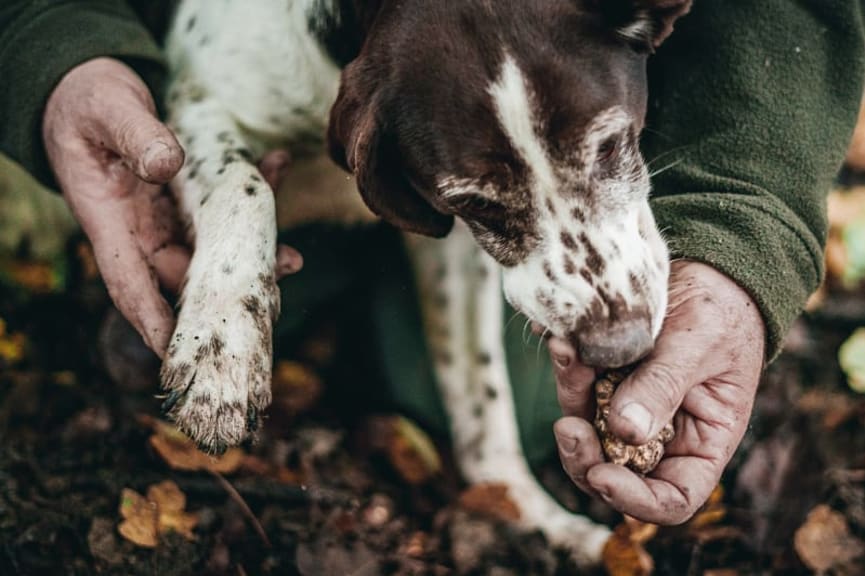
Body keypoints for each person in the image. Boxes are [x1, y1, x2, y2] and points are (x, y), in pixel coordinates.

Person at [1, 0, 862, 526]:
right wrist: (54, 53)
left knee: (535, 424)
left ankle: (486, 452)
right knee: (173, 305)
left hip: (417, 156)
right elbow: (202, 110)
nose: (616, 307)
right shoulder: (281, 47)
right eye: (479, 199)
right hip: (312, 141)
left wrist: (740, 231)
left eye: (606, 152)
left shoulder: (605, 17)